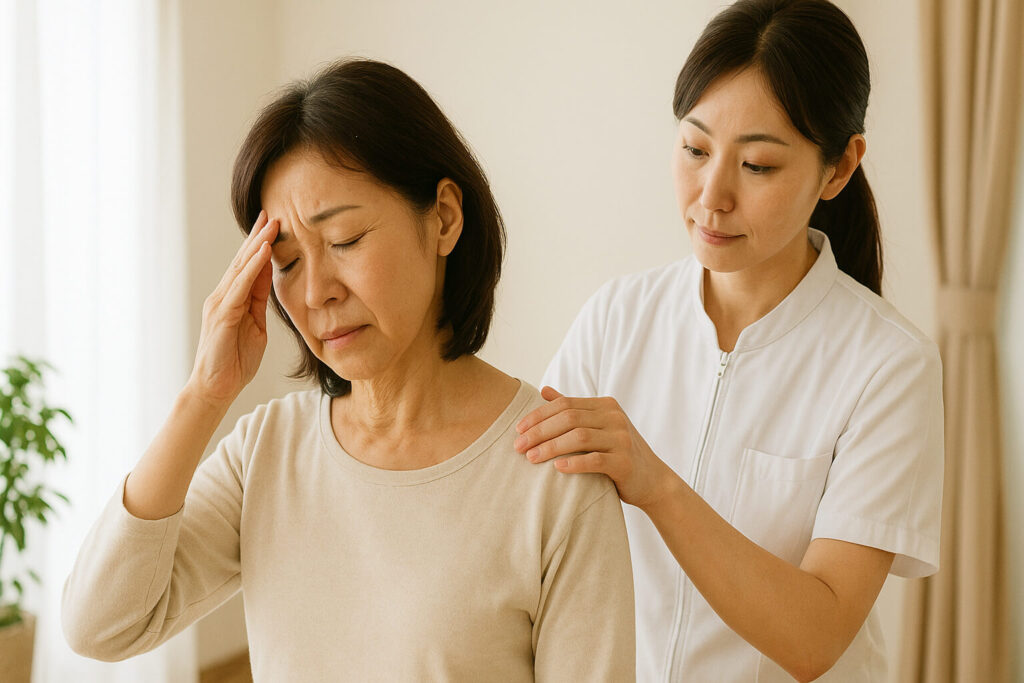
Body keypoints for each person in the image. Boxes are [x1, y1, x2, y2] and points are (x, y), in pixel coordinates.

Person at [61, 59, 634, 681]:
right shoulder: (267, 451)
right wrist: (203, 395)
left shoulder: (554, 470)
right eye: (286, 262)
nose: (316, 293)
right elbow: (99, 625)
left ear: (444, 218)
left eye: (345, 240)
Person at [514, 1, 943, 681]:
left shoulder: (889, 364)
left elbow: (817, 636)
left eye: (759, 165)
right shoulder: (616, 318)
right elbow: (526, 527)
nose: (711, 196)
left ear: (839, 168)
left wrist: (656, 484)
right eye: (695, 149)